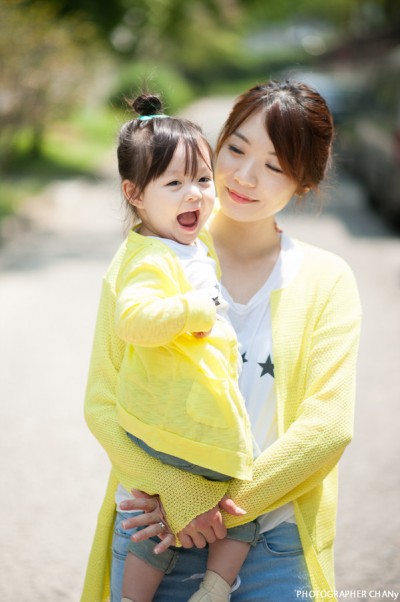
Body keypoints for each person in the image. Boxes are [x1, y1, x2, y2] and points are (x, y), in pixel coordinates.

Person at [82, 80, 362, 602]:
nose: (245, 176)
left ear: (304, 181)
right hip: (152, 532)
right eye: (235, 148)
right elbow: (101, 402)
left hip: (270, 541)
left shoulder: (326, 280)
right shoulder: (151, 252)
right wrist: (177, 498)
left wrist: (215, 508)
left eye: (275, 166)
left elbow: (327, 428)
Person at [86, 92, 258, 602]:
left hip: (198, 426)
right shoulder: (147, 259)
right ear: (135, 193)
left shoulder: (192, 246)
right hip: (170, 433)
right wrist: (195, 309)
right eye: (175, 183)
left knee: (239, 514)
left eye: (203, 180)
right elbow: (134, 319)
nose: (195, 195)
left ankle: (212, 587)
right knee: (160, 536)